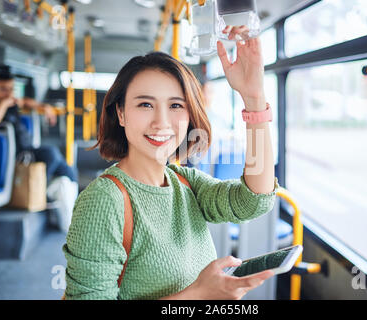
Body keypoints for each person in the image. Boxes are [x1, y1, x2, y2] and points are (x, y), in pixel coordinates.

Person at [62, 25, 277, 300]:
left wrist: (254, 98)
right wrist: (198, 294)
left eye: (176, 105)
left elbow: (255, 199)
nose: (161, 122)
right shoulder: (105, 201)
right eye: (145, 105)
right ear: (121, 113)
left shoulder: (184, 181)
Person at [0, 71, 78, 231]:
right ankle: (41, 189)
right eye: (3, 89)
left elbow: (26, 102)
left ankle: (60, 191)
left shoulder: (13, 104)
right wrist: (4, 103)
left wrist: (45, 107)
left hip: (29, 149)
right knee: (51, 153)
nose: (9, 93)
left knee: (67, 171)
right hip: (18, 156)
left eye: (11, 89)